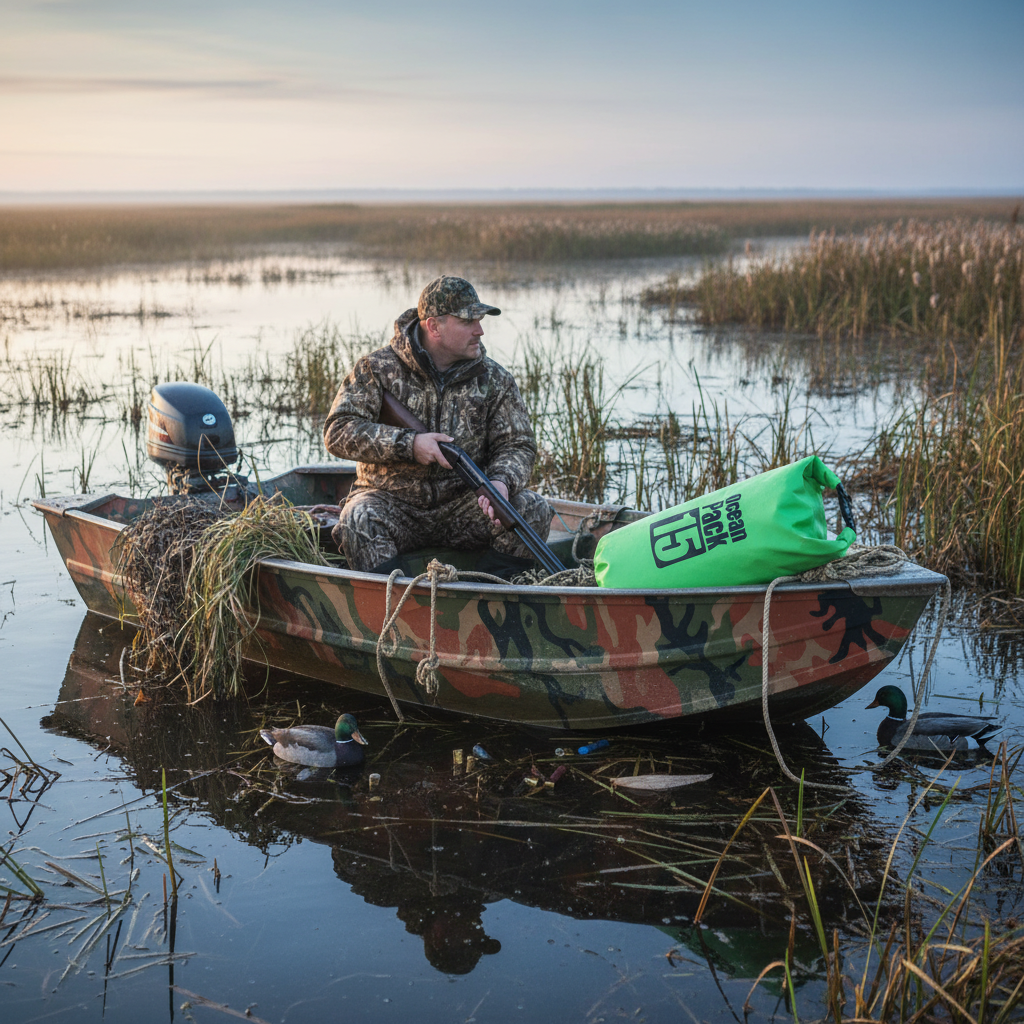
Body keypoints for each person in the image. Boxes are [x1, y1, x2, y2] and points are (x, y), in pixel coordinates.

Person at [324, 275, 552, 574]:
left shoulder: (495, 379)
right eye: (468, 321)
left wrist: (499, 483)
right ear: (434, 326)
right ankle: (395, 611)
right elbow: (338, 431)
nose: (479, 330)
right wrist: (409, 445)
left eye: (480, 320)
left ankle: (487, 601)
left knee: (533, 510)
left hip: (463, 507)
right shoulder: (376, 369)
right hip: (392, 504)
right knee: (359, 518)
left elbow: (518, 444)